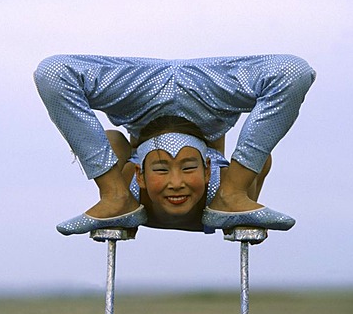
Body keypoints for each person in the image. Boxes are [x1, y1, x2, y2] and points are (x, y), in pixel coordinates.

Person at [33, 54, 316, 235]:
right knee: (294, 72)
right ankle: (233, 197)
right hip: (209, 103)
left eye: (185, 170)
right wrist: (238, 186)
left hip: (139, 103)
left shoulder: (132, 183)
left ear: (139, 175)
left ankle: (113, 198)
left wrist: (115, 187)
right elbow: (262, 161)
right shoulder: (218, 183)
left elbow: (113, 141)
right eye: (163, 172)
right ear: (208, 171)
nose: (176, 184)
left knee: (51, 72)